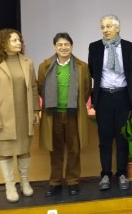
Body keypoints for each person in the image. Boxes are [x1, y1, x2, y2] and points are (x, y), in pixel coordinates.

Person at [0, 28, 40, 202]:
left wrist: (36, 110)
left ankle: (25, 182)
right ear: (3, 43)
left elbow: (34, 88)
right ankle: (9, 185)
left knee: (24, 150)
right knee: (5, 152)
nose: (18, 43)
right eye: (14, 40)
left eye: (19, 40)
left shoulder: (27, 62)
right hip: (3, 116)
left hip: (24, 115)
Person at [88, 14, 132, 191]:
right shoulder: (94, 47)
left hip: (123, 97)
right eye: (103, 27)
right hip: (103, 98)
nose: (105, 30)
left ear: (118, 28)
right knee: (105, 139)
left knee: (122, 138)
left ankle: (122, 174)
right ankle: (105, 175)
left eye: (109, 26)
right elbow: (92, 71)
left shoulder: (129, 47)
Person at [38, 33, 92, 196]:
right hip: (52, 115)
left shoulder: (82, 66)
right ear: (55, 47)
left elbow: (86, 89)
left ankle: (73, 181)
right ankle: (55, 182)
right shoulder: (45, 66)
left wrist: (74, 105)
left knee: (74, 149)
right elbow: (41, 88)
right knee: (55, 149)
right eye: (60, 44)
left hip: (73, 114)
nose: (63, 47)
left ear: (72, 46)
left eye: (66, 44)